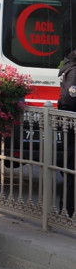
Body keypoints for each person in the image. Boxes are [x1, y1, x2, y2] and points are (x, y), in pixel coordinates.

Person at [57, 49, 76, 216]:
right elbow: (70, 101)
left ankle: (67, 208)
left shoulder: (70, 68)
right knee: (72, 169)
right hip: (72, 126)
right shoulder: (74, 72)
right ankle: (68, 210)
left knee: (71, 168)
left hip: (69, 126)